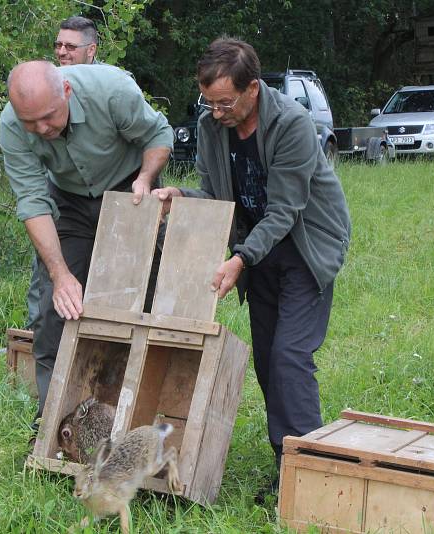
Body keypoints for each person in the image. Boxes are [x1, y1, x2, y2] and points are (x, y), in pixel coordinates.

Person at [152, 38, 351, 496]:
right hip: (257, 249)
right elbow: (221, 197)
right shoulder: (211, 126)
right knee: (266, 359)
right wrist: (182, 198)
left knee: (289, 356)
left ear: (253, 89)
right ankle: (287, 463)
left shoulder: (293, 126)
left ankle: (309, 475)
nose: (216, 112)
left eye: (225, 102)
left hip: (305, 245)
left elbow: (284, 212)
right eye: (210, 102)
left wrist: (239, 259)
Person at [0, 61, 173, 422]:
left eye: (48, 117)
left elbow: (158, 135)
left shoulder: (111, 92)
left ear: (66, 91)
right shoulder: (12, 125)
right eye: (31, 122)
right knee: (54, 311)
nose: (41, 129)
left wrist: (146, 177)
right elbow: (33, 203)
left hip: (129, 191)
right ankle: (54, 425)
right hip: (69, 202)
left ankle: (136, 420)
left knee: (137, 303)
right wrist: (60, 275)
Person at [24, 16, 106, 332]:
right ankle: (37, 331)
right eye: (58, 44)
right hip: (62, 190)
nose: (62, 52)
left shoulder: (107, 85)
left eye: (70, 46)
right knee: (49, 260)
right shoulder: (47, 83)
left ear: (91, 50)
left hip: (109, 192)